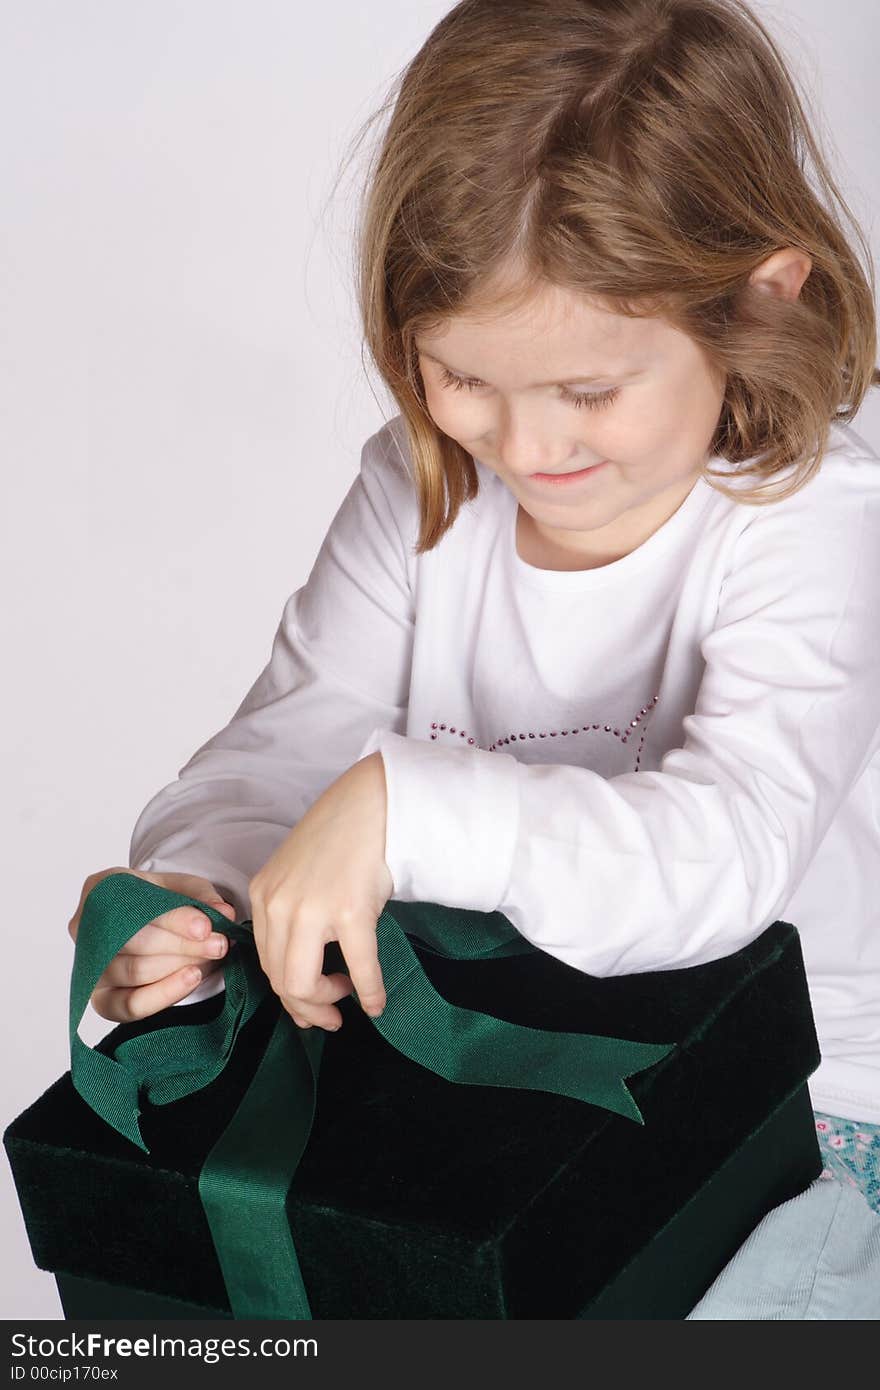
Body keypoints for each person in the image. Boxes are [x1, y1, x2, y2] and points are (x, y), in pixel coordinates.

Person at [67, 0, 880, 1217]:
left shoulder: (811, 514)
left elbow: (732, 850)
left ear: (756, 302)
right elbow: (284, 745)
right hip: (499, 1086)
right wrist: (197, 895)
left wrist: (408, 808)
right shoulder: (419, 483)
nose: (527, 443)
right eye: (462, 378)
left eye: (590, 389)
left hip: (802, 1120)